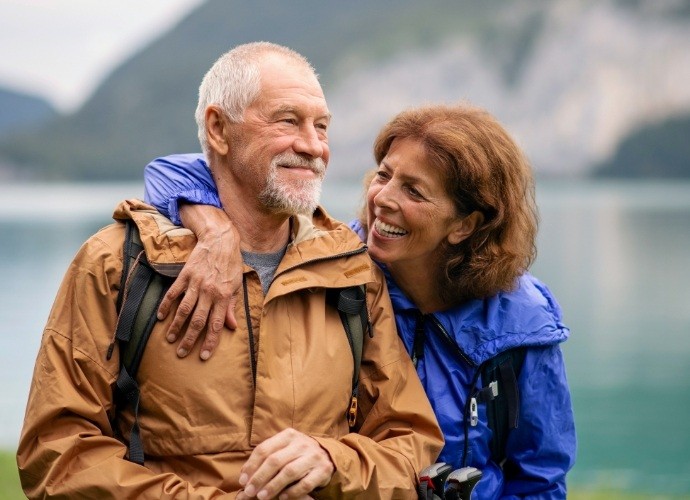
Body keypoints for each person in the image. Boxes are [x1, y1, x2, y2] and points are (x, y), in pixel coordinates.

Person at [17, 42, 444, 499]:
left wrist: (332, 461)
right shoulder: (116, 263)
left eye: (321, 126)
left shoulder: (352, 269)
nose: (314, 146)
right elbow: (57, 455)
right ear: (218, 129)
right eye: (287, 120)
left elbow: (410, 442)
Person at [142, 103, 577, 498]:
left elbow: (540, 477)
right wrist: (214, 229)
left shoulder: (521, 323)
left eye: (414, 191)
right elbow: (167, 171)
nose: (382, 199)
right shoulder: (338, 266)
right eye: (384, 175)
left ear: (465, 224)